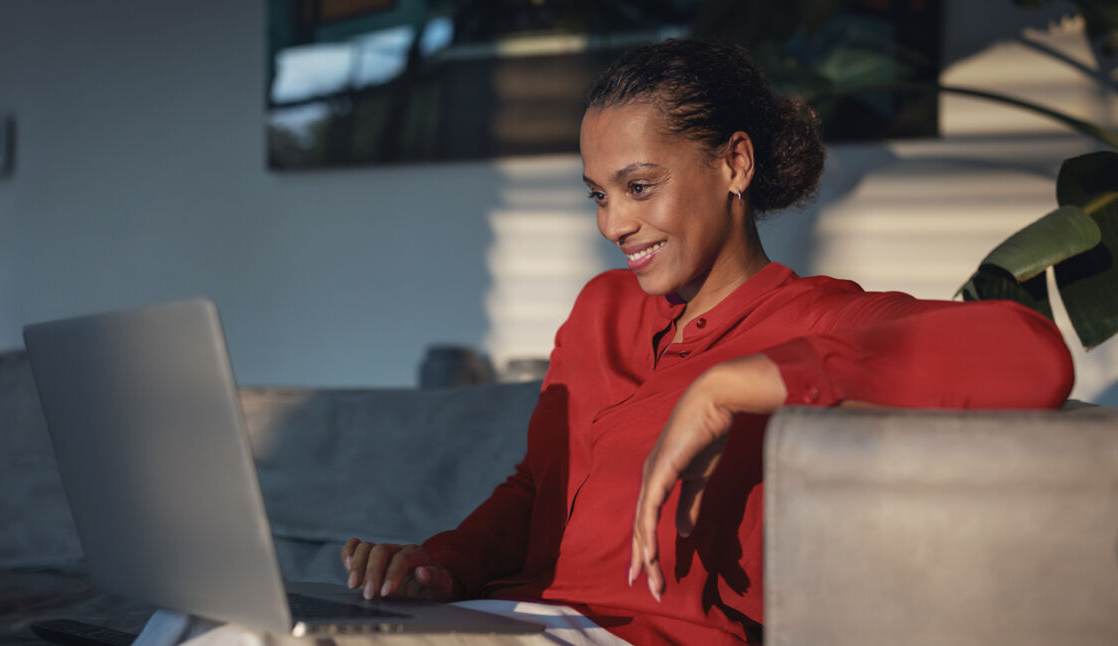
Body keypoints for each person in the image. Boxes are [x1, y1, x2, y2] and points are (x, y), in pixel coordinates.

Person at [342, 39, 1074, 644]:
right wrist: (442, 566)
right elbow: (537, 488)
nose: (612, 224)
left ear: (734, 164)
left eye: (638, 186)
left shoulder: (816, 318)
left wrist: (738, 383)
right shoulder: (602, 308)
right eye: (599, 194)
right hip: (502, 620)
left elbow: (1032, 355)